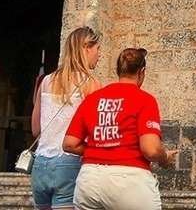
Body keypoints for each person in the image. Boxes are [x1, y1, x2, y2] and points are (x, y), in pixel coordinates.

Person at [64, 48, 175, 210]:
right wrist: (164, 157)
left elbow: (69, 144)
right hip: (129, 179)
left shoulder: (92, 99)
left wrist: (101, 149)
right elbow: (151, 150)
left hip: (89, 180)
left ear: (118, 71)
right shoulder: (145, 100)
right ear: (142, 72)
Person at [31, 26, 105, 210]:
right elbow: (98, 131)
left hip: (40, 164)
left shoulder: (46, 81)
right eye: (97, 49)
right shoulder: (91, 84)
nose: (100, 54)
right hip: (69, 162)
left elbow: (35, 129)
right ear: (86, 48)